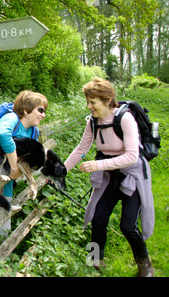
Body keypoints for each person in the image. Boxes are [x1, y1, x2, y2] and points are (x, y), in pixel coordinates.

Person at [64, 77, 154, 277]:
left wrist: (98, 164)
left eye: (92, 102)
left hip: (133, 176)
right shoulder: (93, 122)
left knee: (128, 226)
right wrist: (61, 171)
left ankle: (145, 265)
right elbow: (81, 148)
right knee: (98, 219)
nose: (89, 106)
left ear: (106, 100)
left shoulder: (125, 119)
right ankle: (95, 260)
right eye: (87, 101)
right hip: (110, 179)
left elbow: (131, 156)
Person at [0, 90, 48, 247]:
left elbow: (25, 160)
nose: (43, 115)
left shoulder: (33, 131)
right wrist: (13, 166)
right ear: (25, 110)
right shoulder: (12, 118)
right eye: (41, 110)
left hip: (5, 181)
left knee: (1, 229)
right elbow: (4, 135)